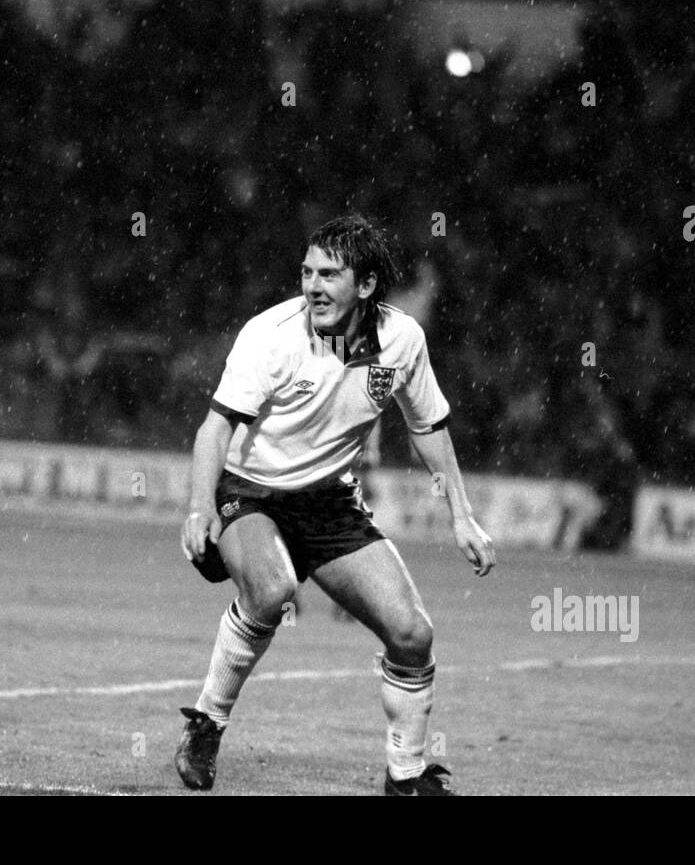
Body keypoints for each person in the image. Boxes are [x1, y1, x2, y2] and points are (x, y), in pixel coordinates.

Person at [177, 215, 496, 795]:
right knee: (273, 591)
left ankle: (406, 776)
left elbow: (429, 426)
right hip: (248, 491)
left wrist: (462, 514)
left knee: (412, 635)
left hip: (328, 501)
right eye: (307, 272)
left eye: (330, 274)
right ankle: (208, 724)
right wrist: (200, 508)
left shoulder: (401, 340)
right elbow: (215, 427)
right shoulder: (271, 336)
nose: (313, 286)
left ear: (367, 286)